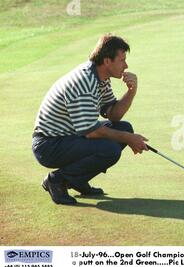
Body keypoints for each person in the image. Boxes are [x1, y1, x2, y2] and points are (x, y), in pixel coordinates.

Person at [32, 34, 149, 205]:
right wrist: (130, 139)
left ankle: (76, 180)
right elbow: (91, 132)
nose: (126, 65)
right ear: (107, 61)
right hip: (49, 145)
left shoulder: (100, 77)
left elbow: (113, 114)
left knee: (124, 128)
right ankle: (57, 180)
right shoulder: (85, 82)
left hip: (69, 136)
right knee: (110, 150)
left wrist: (131, 92)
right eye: (122, 60)